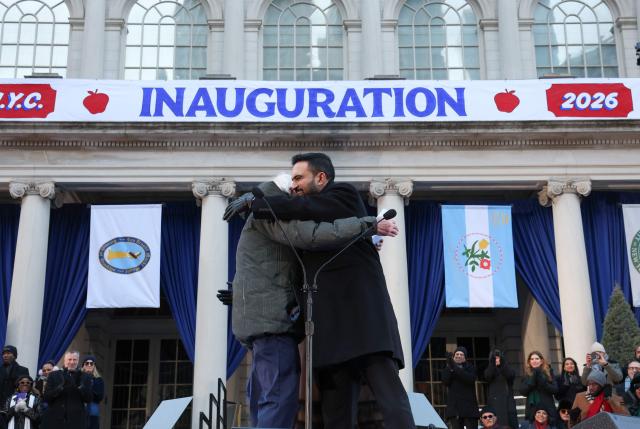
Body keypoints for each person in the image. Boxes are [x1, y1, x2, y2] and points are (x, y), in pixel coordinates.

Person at [246, 153, 415, 429]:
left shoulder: (343, 195)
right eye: (291, 180)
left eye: (299, 178)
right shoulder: (305, 223)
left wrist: (258, 203)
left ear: (321, 178)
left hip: (365, 323)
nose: (293, 186)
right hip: (328, 330)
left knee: (391, 400)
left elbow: (307, 207)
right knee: (336, 415)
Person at [41, 351, 92, 429]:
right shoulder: (54, 375)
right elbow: (46, 398)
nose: (72, 362)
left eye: (74, 360)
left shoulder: (85, 376)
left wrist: (81, 387)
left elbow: (88, 398)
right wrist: (59, 388)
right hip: (55, 420)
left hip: (76, 421)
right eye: (69, 359)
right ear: (65, 361)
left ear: (78, 361)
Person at [441, 346, 479, 429]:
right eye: (456, 354)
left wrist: (454, 367)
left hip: (470, 409)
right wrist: (450, 366)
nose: (458, 356)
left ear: (465, 357)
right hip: (455, 409)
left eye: (461, 354)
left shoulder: (470, 368)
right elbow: (445, 381)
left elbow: (469, 379)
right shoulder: (449, 368)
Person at [519, 351, 558, 423]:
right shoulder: (527, 375)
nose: (534, 361)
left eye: (537, 358)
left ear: (542, 361)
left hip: (547, 408)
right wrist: (531, 382)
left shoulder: (549, 372)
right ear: (529, 361)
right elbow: (522, 391)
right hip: (532, 409)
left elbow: (555, 389)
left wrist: (544, 383)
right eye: (532, 359)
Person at [484, 349, 518, 429]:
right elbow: (488, 376)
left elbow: (510, 375)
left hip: (508, 404)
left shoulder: (508, 369)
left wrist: (502, 364)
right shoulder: (489, 370)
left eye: (498, 358)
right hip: (495, 405)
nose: (497, 360)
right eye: (494, 358)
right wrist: (492, 364)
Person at [0, 346, 29, 429]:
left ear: (15, 356)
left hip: (15, 408)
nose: (5, 355)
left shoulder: (23, 370)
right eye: (4, 354)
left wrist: (18, 404)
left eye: (8, 353)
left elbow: (24, 390)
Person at [81, 356, 103, 429]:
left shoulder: (98, 380)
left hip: (92, 410)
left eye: (91, 363)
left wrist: (88, 387)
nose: (89, 365)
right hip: (80, 410)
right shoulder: (78, 377)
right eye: (87, 363)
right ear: (83, 366)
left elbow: (100, 397)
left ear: (94, 366)